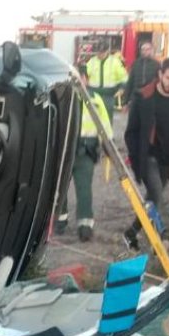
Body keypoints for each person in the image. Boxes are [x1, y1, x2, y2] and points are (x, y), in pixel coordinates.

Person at [122, 56, 169, 251]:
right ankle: (162, 239)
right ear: (160, 74)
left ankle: (131, 232)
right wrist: (135, 157)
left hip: (168, 158)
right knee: (156, 193)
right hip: (147, 156)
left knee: (153, 199)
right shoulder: (143, 96)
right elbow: (130, 132)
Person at [56, 65, 114, 242]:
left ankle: (85, 225)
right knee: (60, 188)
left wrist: (108, 146)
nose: (76, 81)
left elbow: (104, 125)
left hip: (85, 151)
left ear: (86, 79)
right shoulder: (62, 97)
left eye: (79, 77)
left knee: (84, 189)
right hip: (64, 150)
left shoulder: (95, 99)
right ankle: (59, 221)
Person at [84, 43, 128, 125]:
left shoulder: (115, 62)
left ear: (107, 51)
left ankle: (107, 133)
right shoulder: (92, 61)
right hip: (94, 94)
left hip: (109, 95)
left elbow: (123, 77)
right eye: (98, 52)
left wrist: (122, 88)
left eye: (102, 52)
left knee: (107, 117)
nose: (100, 54)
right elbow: (85, 74)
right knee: (93, 117)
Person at [122, 41, 161, 111]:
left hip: (150, 98)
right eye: (143, 49)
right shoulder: (136, 64)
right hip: (135, 97)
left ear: (152, 50)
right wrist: (125, 102)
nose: (145, 51)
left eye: (147, 49)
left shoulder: (157, 65)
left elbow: (159, 83)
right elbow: (130, 82)